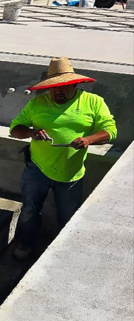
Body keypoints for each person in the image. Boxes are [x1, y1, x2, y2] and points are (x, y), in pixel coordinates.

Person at [9, 56, 116, 259]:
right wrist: (31, 132)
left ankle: (62, 253)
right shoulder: (37, 103)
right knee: (30, 210)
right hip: (37, 169)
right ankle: (26, 244)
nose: (58, 90)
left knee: (68, 216)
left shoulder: (93, 102)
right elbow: (15, 129)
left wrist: (88, 139)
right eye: (53, 87)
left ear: (74, 84)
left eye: (64, 86)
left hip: (71, 173)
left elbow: (110, 131)